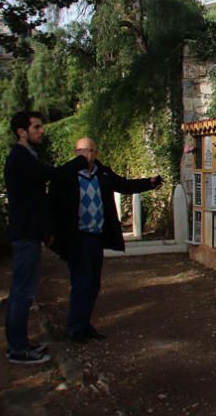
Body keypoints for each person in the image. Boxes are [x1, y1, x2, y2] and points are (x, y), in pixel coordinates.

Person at [50, 138, 162, 343]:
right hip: (77, 237)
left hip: (96, 235)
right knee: (81, 281)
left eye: (88, 151)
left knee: (93, 282)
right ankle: (75, 328)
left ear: (95, 153)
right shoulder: (67, 176)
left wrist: (149, 183)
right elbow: (53, 205)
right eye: (79, 151)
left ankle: (84, 323)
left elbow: (124, 186)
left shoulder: (103, 174)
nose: (84, 155)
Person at [3, 111, 87, 365]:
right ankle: (17, 348)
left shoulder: (26, 156)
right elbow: (50, 175)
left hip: (29, 232)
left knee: (24, 290)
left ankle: (20, 343)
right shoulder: (20, 157)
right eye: (36, 127)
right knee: (22, 291)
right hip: (25, 234)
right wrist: (78, 162)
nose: (41, 131)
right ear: (22, 131)